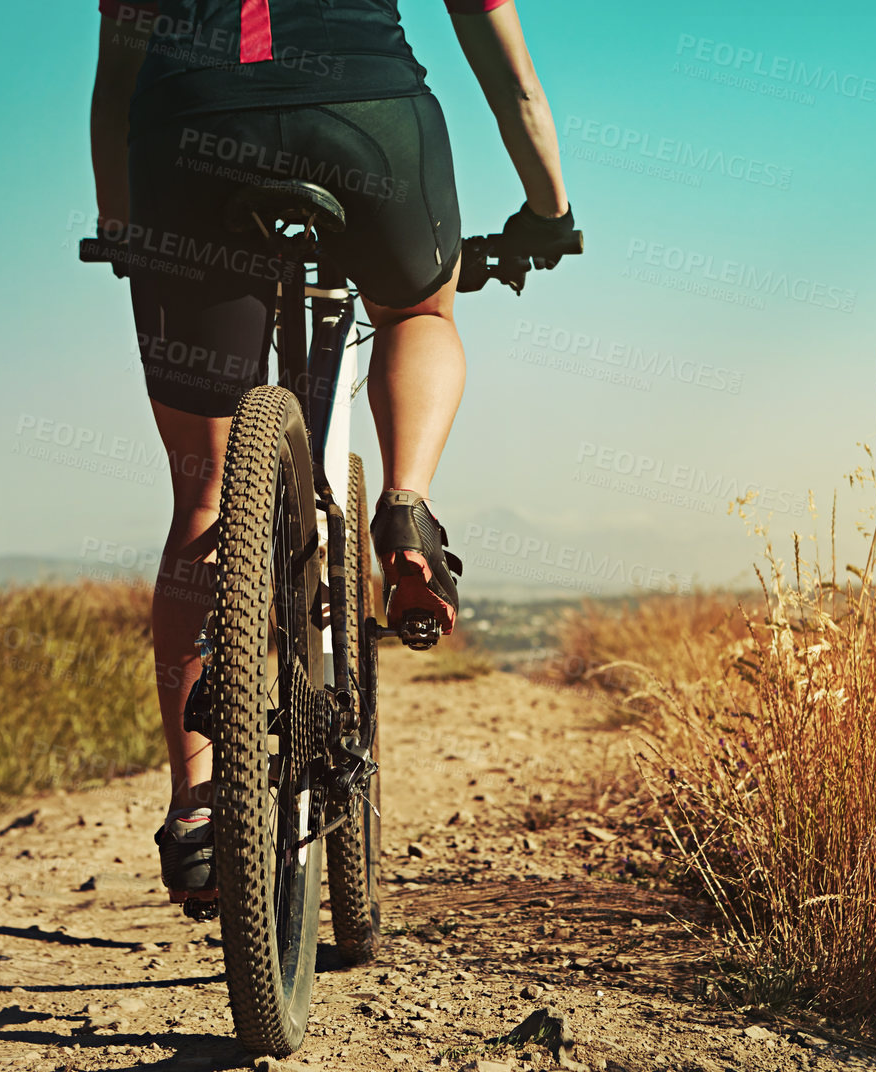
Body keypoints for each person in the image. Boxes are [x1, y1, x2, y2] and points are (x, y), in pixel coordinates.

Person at [88, 0, 573, 905]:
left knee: (202, 500)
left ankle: (197, 806)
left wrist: (123, 227)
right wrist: (549, 209)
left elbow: (118, 82)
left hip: (188, 127)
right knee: (421, 312)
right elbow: (509, 72)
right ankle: (408, 503)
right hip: (366, 120)